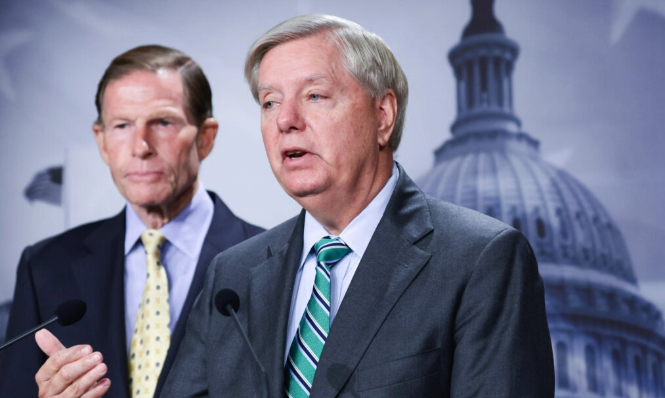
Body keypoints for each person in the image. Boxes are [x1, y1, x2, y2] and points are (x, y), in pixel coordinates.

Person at [162, 14, 554, 397]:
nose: (285, 120)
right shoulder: (232, 275)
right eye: (269, 103)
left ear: (382, 116)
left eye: (314, 96)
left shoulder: (481, 260)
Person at [0, 45, 264, 398]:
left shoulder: (272, 264)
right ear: (102, 141)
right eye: (122, 125)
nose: (141, 146)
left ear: (205, 138)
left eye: (163, 122)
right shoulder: (46, 267)